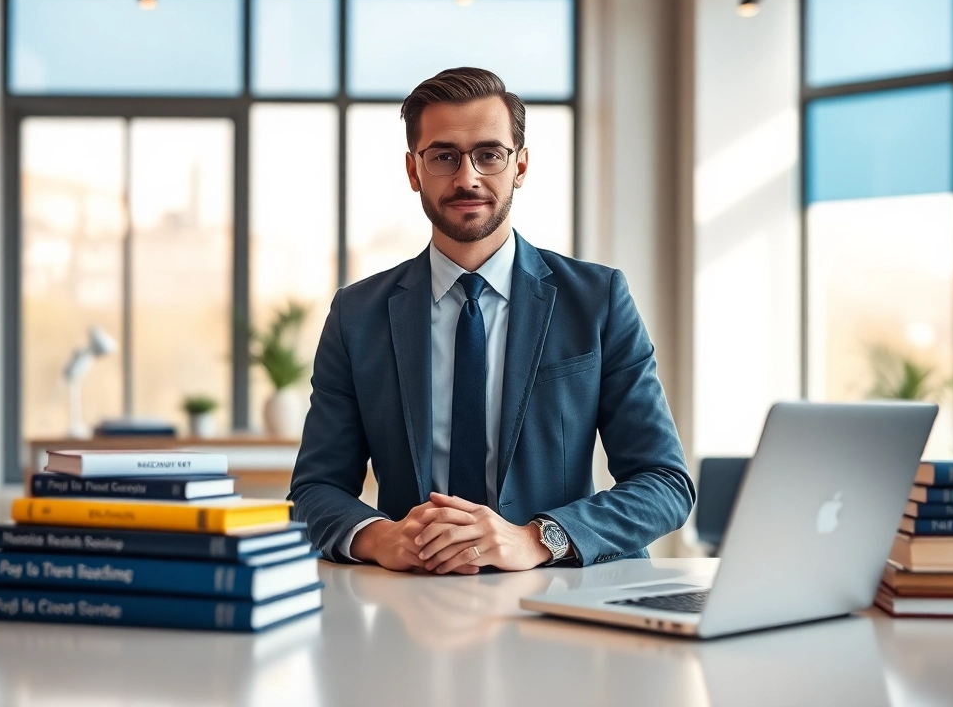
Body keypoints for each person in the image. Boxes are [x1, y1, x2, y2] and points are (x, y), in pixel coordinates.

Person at [289, 67, 693, 574]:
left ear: (519, 166)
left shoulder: (597, 299)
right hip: (410, 599)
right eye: (443, 157)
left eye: (489, 154)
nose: (467, 177)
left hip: (560, 601)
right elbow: (314, 489)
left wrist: (537, 538)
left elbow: (664, 482)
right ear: (414, 171)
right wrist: (379, 537)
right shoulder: (357, 314)